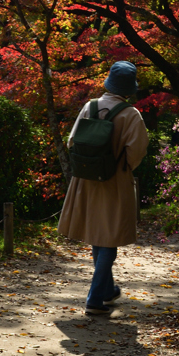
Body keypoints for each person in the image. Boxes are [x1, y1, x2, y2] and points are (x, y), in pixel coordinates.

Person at [57, 60, 149, 316]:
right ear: (129, 89)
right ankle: (95, 299)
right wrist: (121, 167)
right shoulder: (131, 114)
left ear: (108, 83)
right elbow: (137, 151)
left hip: (86, 180)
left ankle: (107, 290)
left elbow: (72, 141)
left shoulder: (90, 106)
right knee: (109, 239)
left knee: (99, 235)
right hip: (115, 181)